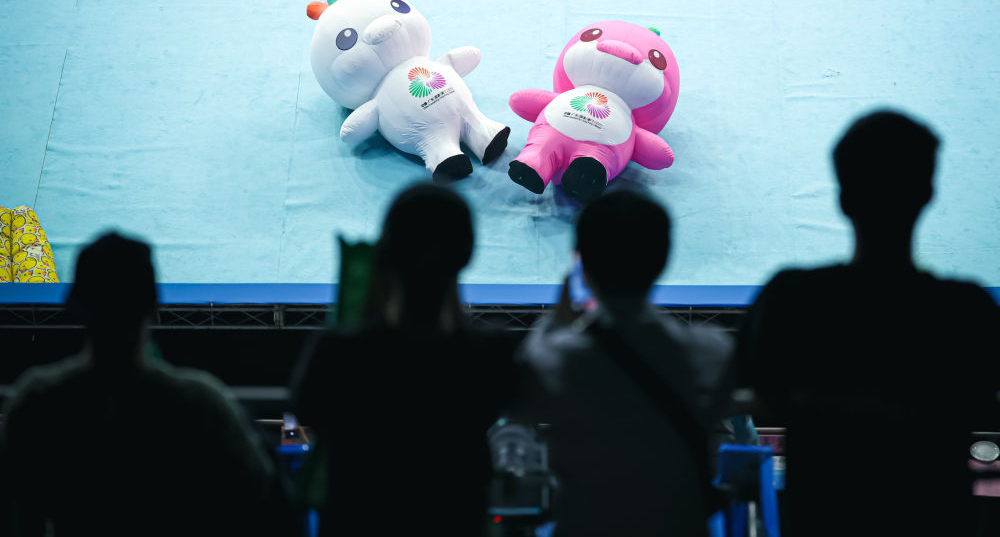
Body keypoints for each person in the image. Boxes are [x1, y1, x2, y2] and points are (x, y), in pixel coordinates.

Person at [738, 110, 1000, 536]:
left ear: (843, 199)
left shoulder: (791, 301)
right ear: (927, 193)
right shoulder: (968, 311)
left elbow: (754, 397)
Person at [0, 232, 287, 537]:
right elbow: (259, 493)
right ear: (154, 302)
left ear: (74, 303)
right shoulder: (199, 403)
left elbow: (14, 505)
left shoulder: (39, 399)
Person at [292, 183, 517, 536]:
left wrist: (358, 306)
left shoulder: (339, 353)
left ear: (384, 255)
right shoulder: (491, 355)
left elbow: (309, 414)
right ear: (467, 254)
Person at [518, 191, 735, 537]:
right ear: (664, 258)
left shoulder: (556, 358)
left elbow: (527, 380)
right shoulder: (711, 353)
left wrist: (556, 320)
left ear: (583, 265)